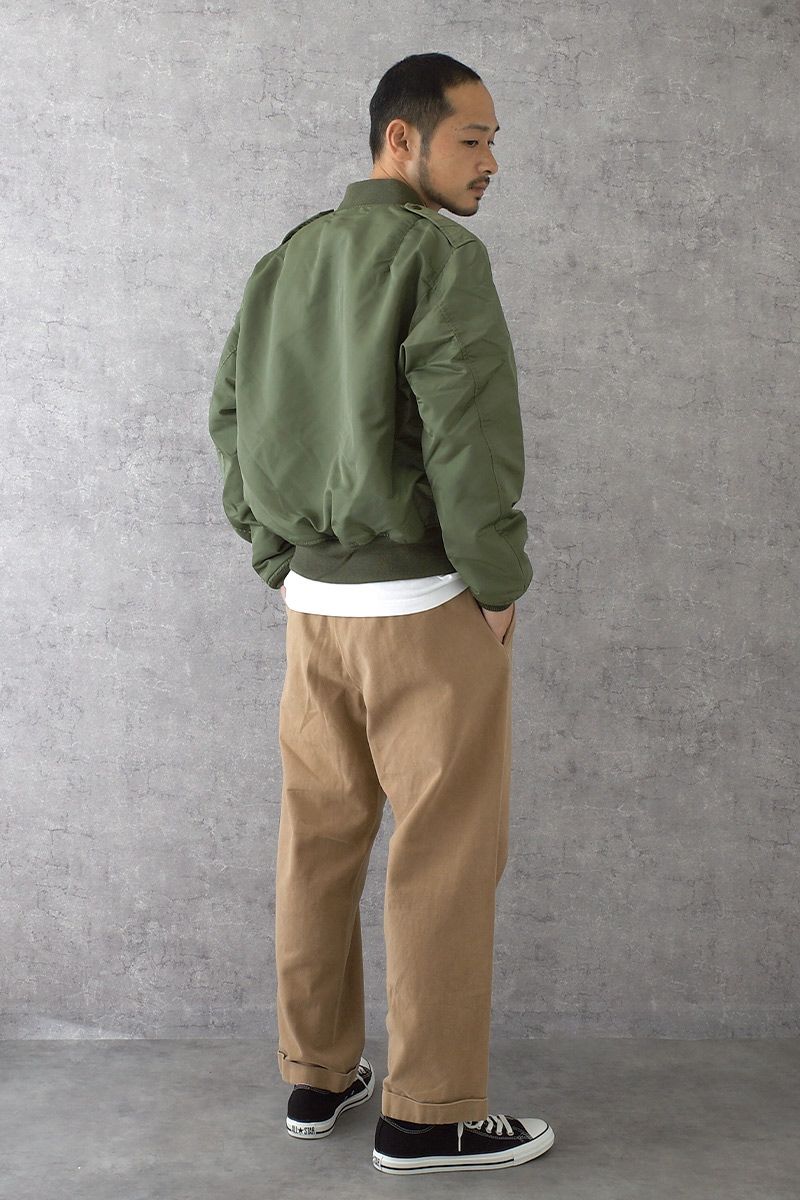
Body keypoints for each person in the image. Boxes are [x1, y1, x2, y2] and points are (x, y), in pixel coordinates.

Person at [208, 51, 555, 1175]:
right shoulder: (439, 257)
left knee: (318, 841)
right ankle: (430, 1113)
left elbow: (230, 416)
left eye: (493, 142)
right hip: (421, 606)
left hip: (315, 609)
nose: (490, 163)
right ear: (401, 140)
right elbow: (470, 436)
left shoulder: (287, 258)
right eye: (472, 139)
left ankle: (315, 1079)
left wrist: (276, 554)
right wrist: (496, 583)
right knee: (442, 853)